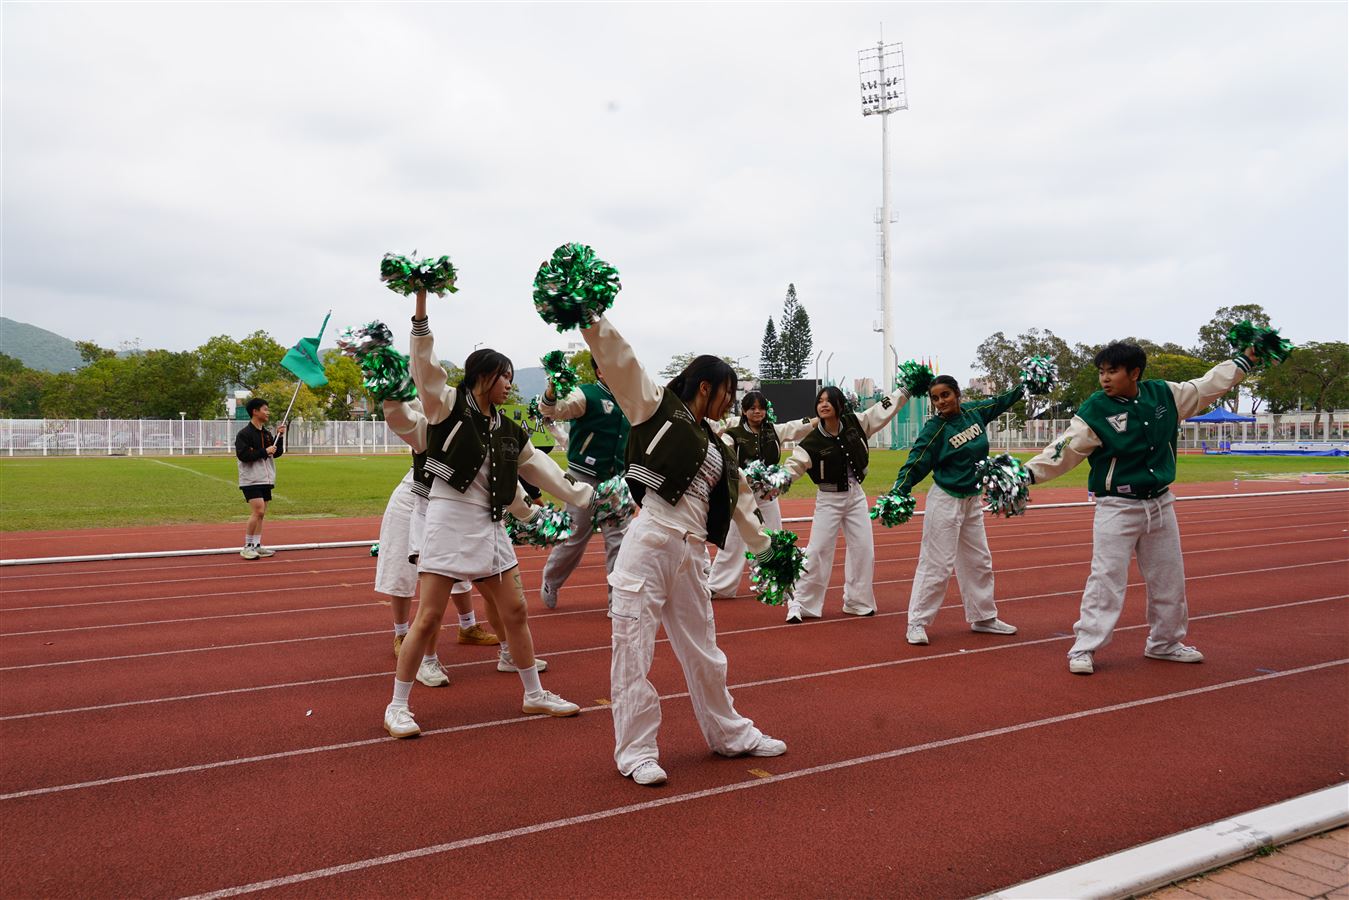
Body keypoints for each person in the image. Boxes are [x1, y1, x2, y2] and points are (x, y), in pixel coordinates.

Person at [577, 312, 790, 787]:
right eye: (727, 393)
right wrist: (590, 315)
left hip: (693, 556)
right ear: (705, 387)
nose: (731, 402)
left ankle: (729, 734)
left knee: (705, 653)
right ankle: (636, 752)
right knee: (632, 652)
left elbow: (743, 503)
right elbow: (620, 359)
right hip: (650, 543)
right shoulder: (654, 405)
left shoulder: (718, 446)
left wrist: (768, 553)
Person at [379, 289, 594, 738]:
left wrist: (584, 496)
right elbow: (425, 368)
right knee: (429, 617)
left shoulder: (507, 426)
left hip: (489, 524)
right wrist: (420, 310)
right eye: (504, 377)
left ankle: (534, 693)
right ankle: (397, 706)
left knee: (515, 610)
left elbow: (538, 467)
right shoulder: (446, 405)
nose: (510, 384)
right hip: (447, 520)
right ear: (483, 376)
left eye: (511, 377)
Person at [1024, 341, 1259, 675]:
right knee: (1106, 579)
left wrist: (1243, 362)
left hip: (1160, 503)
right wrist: (1024, 476)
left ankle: (1165, 643)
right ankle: (1084, 648)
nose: (1105, 379)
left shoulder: (1165, 394)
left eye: (1112, 371)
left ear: (1134, 373)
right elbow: (1063, 451)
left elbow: (1207, 385)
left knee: (1169, 578)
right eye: (1101, 372)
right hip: (1116, 506)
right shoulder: (1095, 410)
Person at [889, 376, 1023, 645]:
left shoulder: (975, 412)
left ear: (957, 393)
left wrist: (1024, 387)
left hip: (972, 500)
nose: (941, 402)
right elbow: (916, 461)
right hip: (945, 500)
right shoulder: (934, 429)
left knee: (979, 560)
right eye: (935, 398)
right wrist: (899, 490)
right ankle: (917, 622)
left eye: (946, 395)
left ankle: (983, 617)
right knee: (937, 564)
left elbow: (1001, 401)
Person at [373, 434, 501, 691]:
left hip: (451, 501)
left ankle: (468, 627)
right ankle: (402, 634)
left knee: (457, 565)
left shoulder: (479, 426)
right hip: (413, 500)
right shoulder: (433, 424)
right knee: (402, 569)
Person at [779, 384, 910, 623]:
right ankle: (802, 604)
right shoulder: (811, 442)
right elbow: (792, 467)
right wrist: (774, 480)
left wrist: (904, 391)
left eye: (828, 400)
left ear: (840, 404)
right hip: (828, 499)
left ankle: (857, 602)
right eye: (820, 401)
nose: (823, 404)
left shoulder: (855, 422)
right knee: (818, 551)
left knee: (863, 549)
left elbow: (882, 410)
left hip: (856, 496)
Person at [537, 361, 631, 609]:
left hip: (615, 480)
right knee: (575, 537)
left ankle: (617, 601)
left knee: (619, 541)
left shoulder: (629, 399)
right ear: (600, 371)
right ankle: (551, 580)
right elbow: (555, 410)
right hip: (583, 477)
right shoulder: (585, 394)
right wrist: (551, 392)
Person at [706, 391, 814, 599]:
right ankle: (720, 585)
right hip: (741, 494)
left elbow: (797, 427)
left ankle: (778, 581)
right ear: (744, 411)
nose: (757, 412)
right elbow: (725, 456)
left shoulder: (773, 431)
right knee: (733, 539)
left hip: (767, 495)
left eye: (761, 408)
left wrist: (821, 419)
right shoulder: (733, 434)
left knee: (774, 536)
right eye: (752, 408)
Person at [234, 397, 286, 560]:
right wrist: (264, 451)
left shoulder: (266, 433)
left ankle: (257, 545)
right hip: (251, 479)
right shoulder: (244, 434)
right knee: (258, 511)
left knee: (261, 514)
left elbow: (276, 453)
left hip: (266, 478)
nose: (267, 412)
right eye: (265, 409)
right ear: (255, 411)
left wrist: (280, 437)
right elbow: (243, 455)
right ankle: (247, 546)